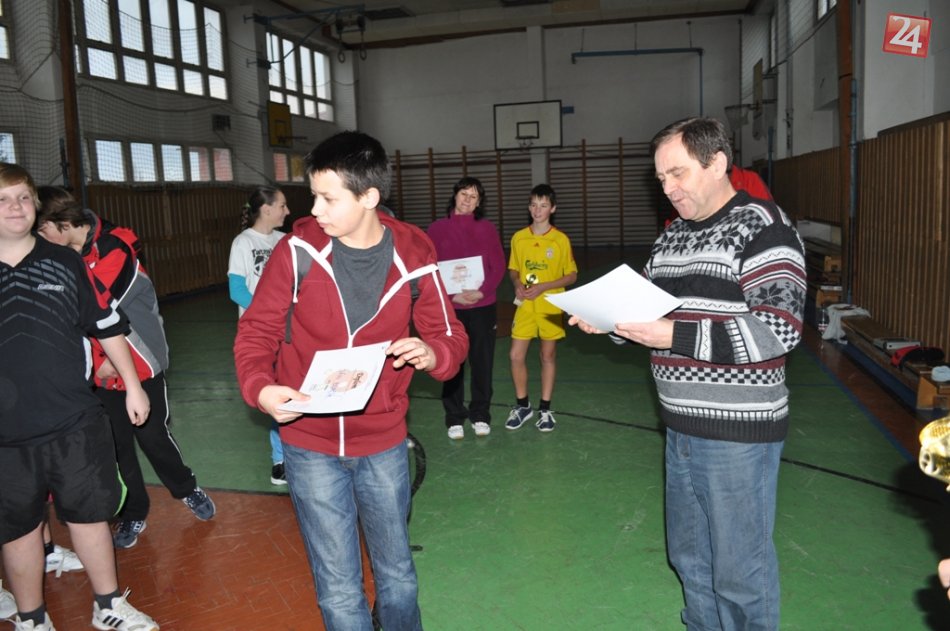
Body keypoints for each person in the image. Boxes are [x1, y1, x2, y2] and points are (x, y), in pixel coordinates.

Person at [570, 117, 806, 629]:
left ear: (717, 163)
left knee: (740, 573)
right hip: (679, 428)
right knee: (691, 560)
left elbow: (778, 331)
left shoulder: (764, 227)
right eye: (661, 179)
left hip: (738, 435)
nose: (668, 188)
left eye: (677, 173)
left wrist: (672, 335)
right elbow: (647, 313)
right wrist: (607, 321)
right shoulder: (672, 238)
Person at [233, 130, 469, 630]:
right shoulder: (296, 251)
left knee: (397, 575)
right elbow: (256, 331)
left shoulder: (415, 255)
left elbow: (450, 334)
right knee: (338, 588)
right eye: (313, 196)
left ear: (369, 197)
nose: (315, 210)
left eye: (328, 198)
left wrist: (434, 353)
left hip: (383, 443)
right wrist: (260, 387)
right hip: (308, 445)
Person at [0, 162, 159, 630]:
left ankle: (108, 606)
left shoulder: (66, 261)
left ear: (35, 205)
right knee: (19, 527)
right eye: (3, 199)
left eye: (23, 198)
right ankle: (32, 618)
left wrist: (133, 385)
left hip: (74, 420)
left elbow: (107, 325)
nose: (15, 207)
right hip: (6, 436)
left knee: (89, 516)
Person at [36, 187, 215, 551]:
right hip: (101, 376)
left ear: (64, 223)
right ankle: (134, 511)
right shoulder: (63, 255)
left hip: (140, 363)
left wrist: (102, 361)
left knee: (153, 437)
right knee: (118, 447)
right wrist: (95, 366)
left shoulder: (115, 249)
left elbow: (93, 310)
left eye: (43, 230)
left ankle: (186, 487)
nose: (40, 238)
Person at [426, 176, 506, 440]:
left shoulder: (487, 229)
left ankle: (481, 413)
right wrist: (451, 296)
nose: (467, 200)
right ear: (455, 195)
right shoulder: (436, 229)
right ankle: (454, 416)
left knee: (482, 362)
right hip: (451, 308)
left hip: (483, 306)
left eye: (473, 197)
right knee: (452, 361)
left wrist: (482, 291)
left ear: (479, 202)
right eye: (464, 194)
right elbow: (431, 269)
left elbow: (498, 266)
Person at [227, 186, 291, 484]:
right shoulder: (243, 243)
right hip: (262, 331)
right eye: (282, 205)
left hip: (288, 330)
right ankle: (280, 460)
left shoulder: (285, 241)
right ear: (266, 209)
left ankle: (301, 451)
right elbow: (237, 289)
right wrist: (269, 312)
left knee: (292, 387)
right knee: (273, 391)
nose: (287, 211)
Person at [504, 184, 577, 433]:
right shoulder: (518, 237)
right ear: (529, 207)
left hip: (550, 307)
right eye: (534, 204)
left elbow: (572, 275)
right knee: (515, 355)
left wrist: (544, 286)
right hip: (525, 305)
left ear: (552, 209)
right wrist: (516, 284)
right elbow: (513, 269)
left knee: (547, 356)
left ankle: (545, 409)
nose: (538, 210)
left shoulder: (560, 240)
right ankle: (523, 406)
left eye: (543, 205)